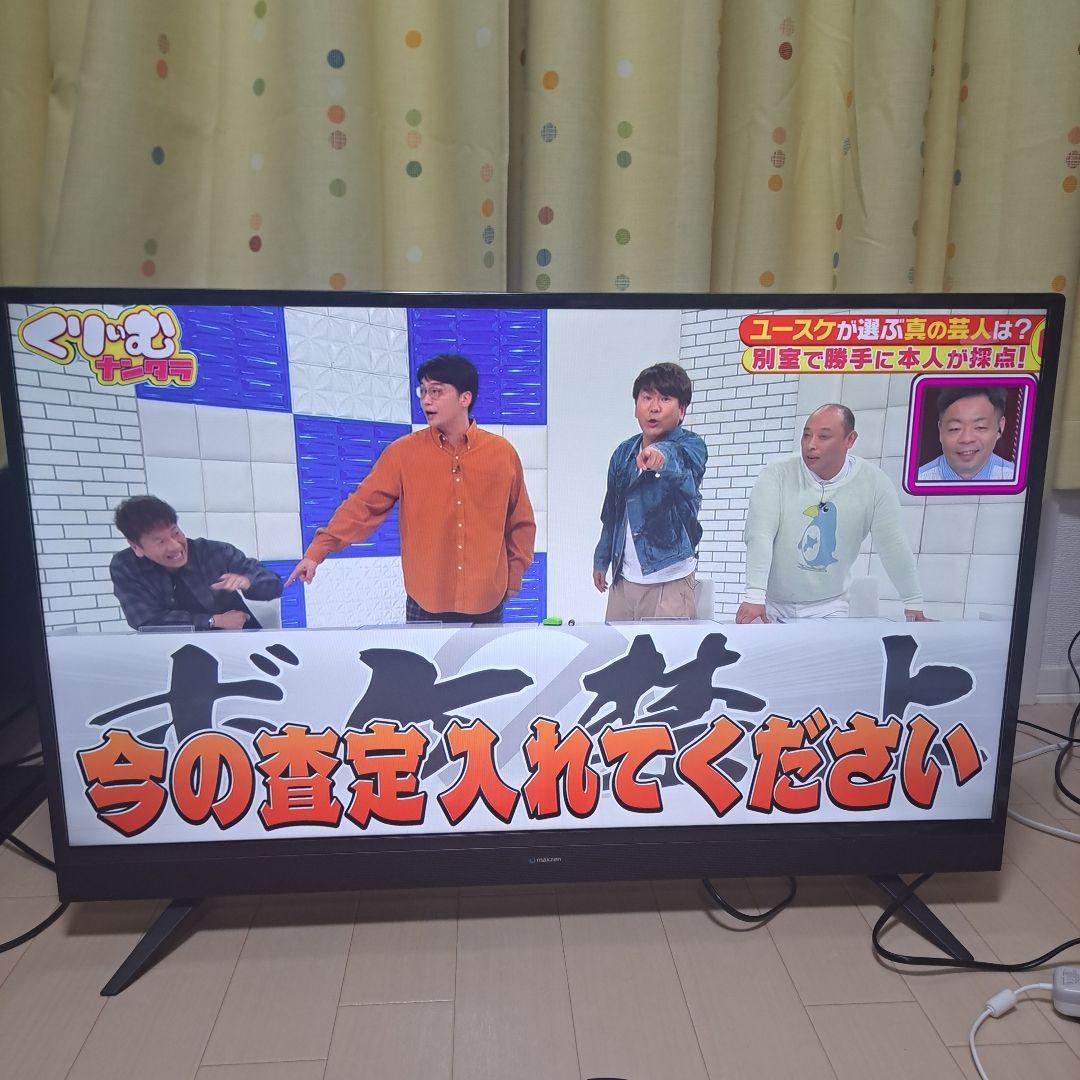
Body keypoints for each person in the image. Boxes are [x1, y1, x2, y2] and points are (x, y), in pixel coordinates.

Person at [286, 353, 535, 623]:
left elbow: (520, 521)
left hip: (487, 599)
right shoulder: (402, 453)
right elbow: (363, 506)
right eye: (423, 391)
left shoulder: (502, 453)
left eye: (436, 391)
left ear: (465, 398)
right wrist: (317, 552)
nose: (426, 400)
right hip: (425, 600)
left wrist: (514, 575)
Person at [736, 403, 926, 624]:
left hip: (830, 606)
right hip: (771, 604)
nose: (811, 445)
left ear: (850, 440)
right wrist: (755, 595)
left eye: (823, 437)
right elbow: (760, 534)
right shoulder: (776, 473)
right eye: (806, 435)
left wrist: (913, 602)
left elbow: (893, 544)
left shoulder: (874, 482)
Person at [593, 362, 708, 620]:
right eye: (647, 398)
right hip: (623, 581)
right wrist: (602, 559)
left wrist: (659, 457)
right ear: (636, 406)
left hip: (670, 582)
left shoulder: (692, 445)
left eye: (665, 399)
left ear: (681, 410)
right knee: (617, 647)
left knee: (669, 649)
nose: (654, 407)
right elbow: (612, 514)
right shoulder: (623, 453)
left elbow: (680, 462)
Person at [110, 495, 283, 630]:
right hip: (171, 651)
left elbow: (274, 584)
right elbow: (146, 621)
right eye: (160, 541)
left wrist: (247, 582)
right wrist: (213, 621)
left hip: (237, 642)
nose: (175, 546)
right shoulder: (126, 567)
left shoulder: (215, 552)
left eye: (175, 533)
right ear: (136, 547)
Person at [917, 384, 1013, 481]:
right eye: (955, 428)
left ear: (1000, 427)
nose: (966, 439)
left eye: (980, 427)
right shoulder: (918, 479)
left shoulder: (1014, 477)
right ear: (940, 431)